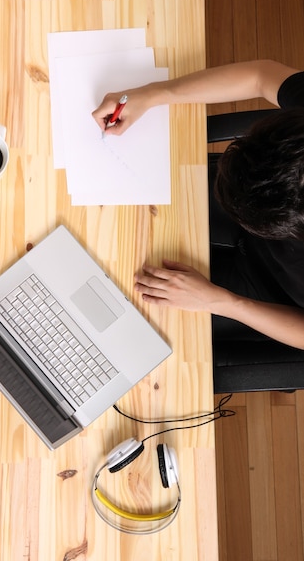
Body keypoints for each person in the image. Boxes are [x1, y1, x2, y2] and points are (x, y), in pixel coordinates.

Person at [92, 60, 304, 350]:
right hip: (249, 195)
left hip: (269, 296)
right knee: (116, 222)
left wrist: (220, 301)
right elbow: (260, 76)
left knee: (130, 324)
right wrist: (155, 94)